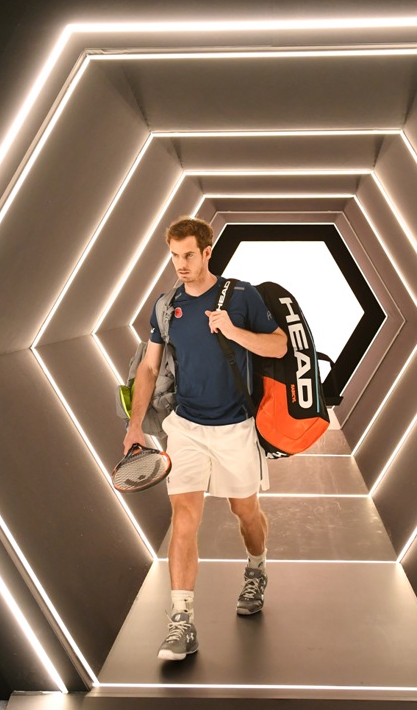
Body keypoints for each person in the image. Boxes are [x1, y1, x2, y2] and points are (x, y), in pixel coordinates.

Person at [122, 216, 287, 661]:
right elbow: (149, 369)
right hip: (186, 426)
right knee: (185, 517)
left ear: (208, 251)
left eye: (189, 255)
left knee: (245, 511)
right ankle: (181, 622)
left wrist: (234, 332)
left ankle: (256, 569)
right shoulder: (167, 305)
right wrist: (135, 426)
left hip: (235, 426)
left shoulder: (241, 295)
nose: (181, 264)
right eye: (175, 256)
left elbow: (278, 346)